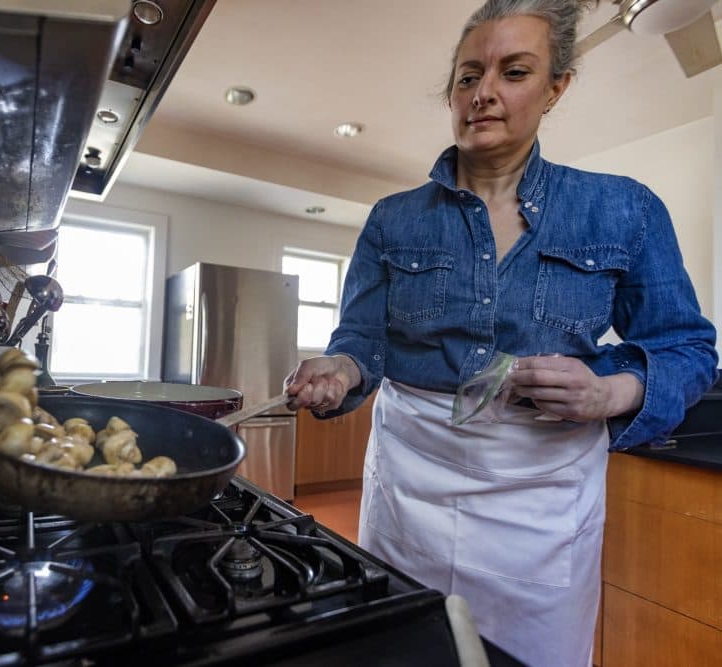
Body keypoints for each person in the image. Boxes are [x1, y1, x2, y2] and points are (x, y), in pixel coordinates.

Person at [284, 1, 719, 665]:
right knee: (402, 645)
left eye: (513, 72)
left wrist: (611, 392)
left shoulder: (624, 209)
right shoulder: (392, 220)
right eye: (467, 76)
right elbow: (362, 343)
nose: (483, 92)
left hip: (544, 497)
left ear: (555, 87)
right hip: (410, 486)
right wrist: (342, 371)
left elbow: (688, 350)